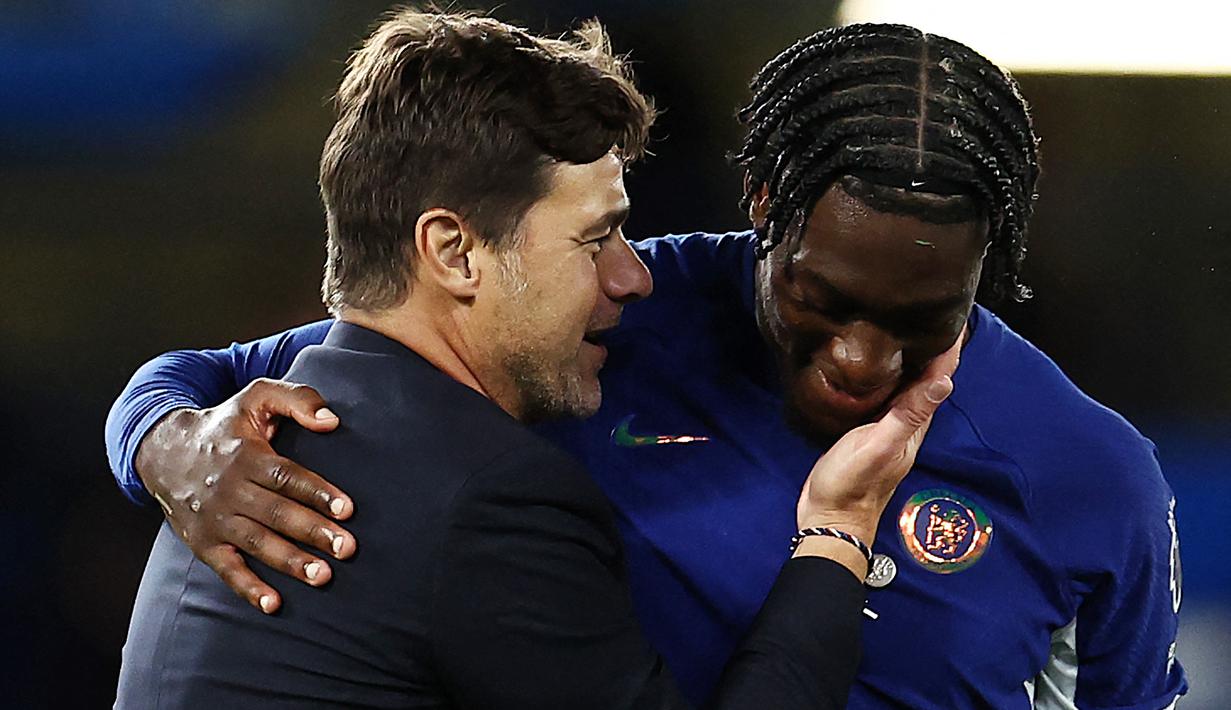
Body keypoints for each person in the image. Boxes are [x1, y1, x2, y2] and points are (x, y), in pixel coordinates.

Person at [107, 21, 1188, 710]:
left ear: (986, 273)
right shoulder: (599, 319)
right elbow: (236, 371)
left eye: (924, 318)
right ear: (764, 212)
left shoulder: (1090, 473)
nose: (862, 359)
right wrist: (165, 442)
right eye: (821, 299)